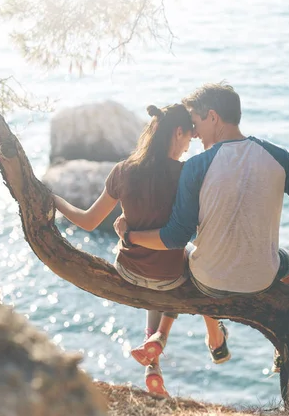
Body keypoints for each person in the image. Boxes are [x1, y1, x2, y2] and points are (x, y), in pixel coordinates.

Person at [114, 83, 289, 371]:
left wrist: (130, 235)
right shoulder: (278, 157)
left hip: (209, 283)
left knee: (190, 258)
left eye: (196, 122)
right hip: (262, 280)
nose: (194, 132)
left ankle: (195, 336)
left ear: (213, 117)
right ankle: (287, 338)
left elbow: (177, 237)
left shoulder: (196, 166)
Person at [54, 103, 229, 397]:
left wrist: (54, 200)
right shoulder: (186, 174)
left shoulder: (123, 170)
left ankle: (153, 363)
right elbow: (201, 229)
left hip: (129, 272)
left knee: (158, 274)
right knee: (185, 264)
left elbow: (88, 221)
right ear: (177, 132)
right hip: (169, 276)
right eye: (188, 137)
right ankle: (198, 338)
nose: (188, 145)